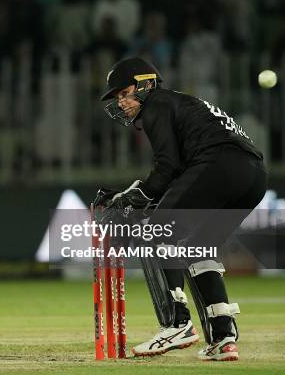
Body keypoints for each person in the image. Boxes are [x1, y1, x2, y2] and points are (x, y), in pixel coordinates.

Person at [99, 58, 266, 361]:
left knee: (155, 230)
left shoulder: (156, 105)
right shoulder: (179, 103)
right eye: (118, 97)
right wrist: (136, 193)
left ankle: (177, 324)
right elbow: (178, 176)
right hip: (253, 174)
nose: (121, 103)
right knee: (198, 247)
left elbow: (167, 169)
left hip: (219, 164)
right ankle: (223, 337)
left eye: (124, 93)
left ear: (146, 84)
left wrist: (130, 198)